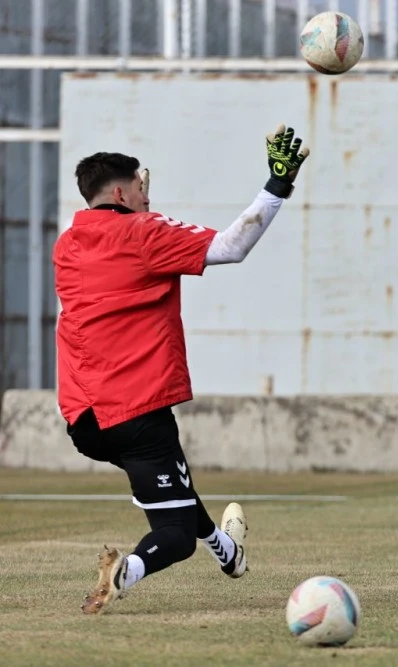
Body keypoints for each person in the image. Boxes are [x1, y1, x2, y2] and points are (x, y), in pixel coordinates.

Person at [53, 124, 310, 614]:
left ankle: (228, 552)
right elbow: (232, 246)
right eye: (142, 186)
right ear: (121, 193)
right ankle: (126, 570)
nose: (148, 196)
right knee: (174, 534)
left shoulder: (67, 244)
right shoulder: (145, 232)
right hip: (135, 412)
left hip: (84, 420)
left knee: (176, 489)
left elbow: (114, 258)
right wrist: (278, 184)